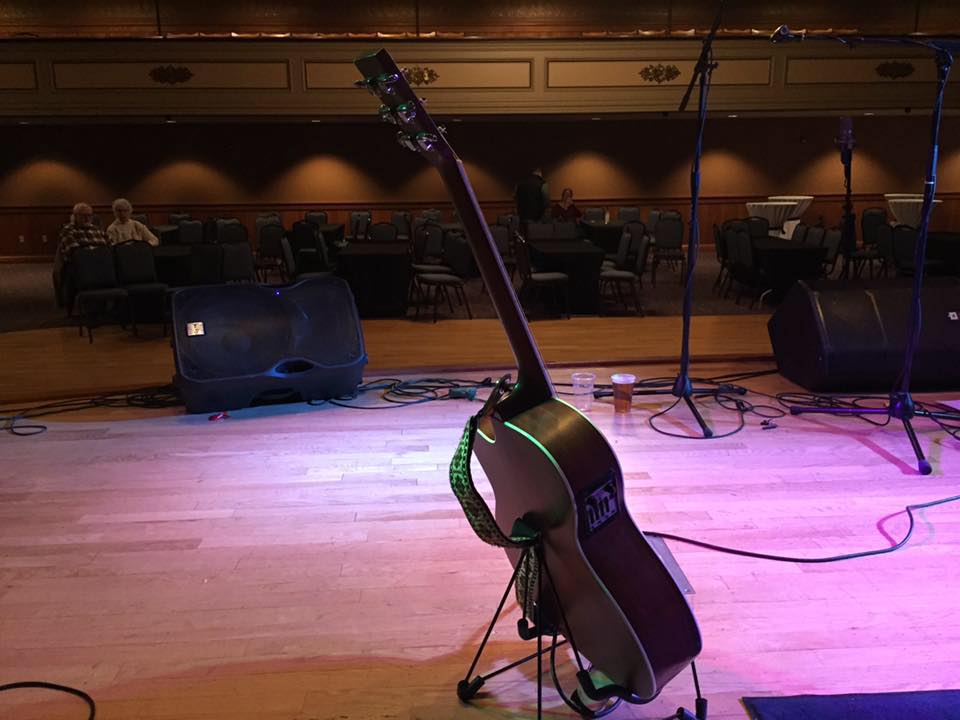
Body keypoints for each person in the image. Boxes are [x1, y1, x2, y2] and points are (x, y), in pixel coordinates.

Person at [53, 202, 109, 309]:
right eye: (83, 215)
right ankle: (93, 307)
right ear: (75, 216)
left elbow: (109, 245)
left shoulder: (96, 229)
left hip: (101, 263)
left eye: (89, 215)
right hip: (79, 266)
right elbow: (75, 252)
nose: (87, 218)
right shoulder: (69, 230)